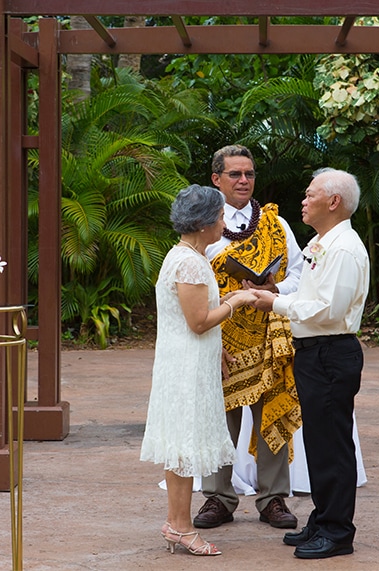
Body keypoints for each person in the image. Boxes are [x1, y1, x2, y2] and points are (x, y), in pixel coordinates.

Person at [252, 168, 370, 559]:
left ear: (333, 201)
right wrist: (278, 290)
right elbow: (308, 288)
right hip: (314, 351)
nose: (303, 201)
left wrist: (276, 304)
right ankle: (323, 517)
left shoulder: (343, 248)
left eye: (309, 194)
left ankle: (338, 532)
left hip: (331, 351)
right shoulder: (322, 241)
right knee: (319, 443)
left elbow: (327, 309)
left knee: (333, 444)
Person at [140, 184, 257, 557]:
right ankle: (182, 526)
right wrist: (236, 301)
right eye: (221, 217)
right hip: (186, 367)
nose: (225, 223)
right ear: (205, 222)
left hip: (188, 361)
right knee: (184, 448)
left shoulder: (188, 255)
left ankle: (177, 524)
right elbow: (199, 321)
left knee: (181, 449)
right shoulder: (189, 261)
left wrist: (219, 343)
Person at [194, 144, 304, 530]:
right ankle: (218, 499)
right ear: (216, 179)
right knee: (219, 423)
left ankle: (273, 499)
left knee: (270, 414)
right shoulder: (205, 225)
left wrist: (276, 288)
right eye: (235, 174)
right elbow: (193, 282)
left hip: (269, 334)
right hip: (220, 335)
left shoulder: (276, 224)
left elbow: (300, 275)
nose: (244, 180)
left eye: (249, 174)